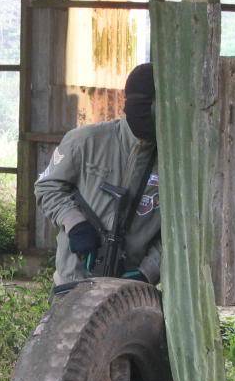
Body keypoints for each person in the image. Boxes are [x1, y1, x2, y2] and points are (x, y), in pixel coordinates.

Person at [35, 62, 161, 289]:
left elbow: (178, 234)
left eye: (154, 106)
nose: (147, 112)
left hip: (130, 292)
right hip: (73, 283)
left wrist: (147, 272)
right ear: (128, 102)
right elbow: (47, 187)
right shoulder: (85, 141)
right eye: (142, 104)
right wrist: (75, 223)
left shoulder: (174, 166)